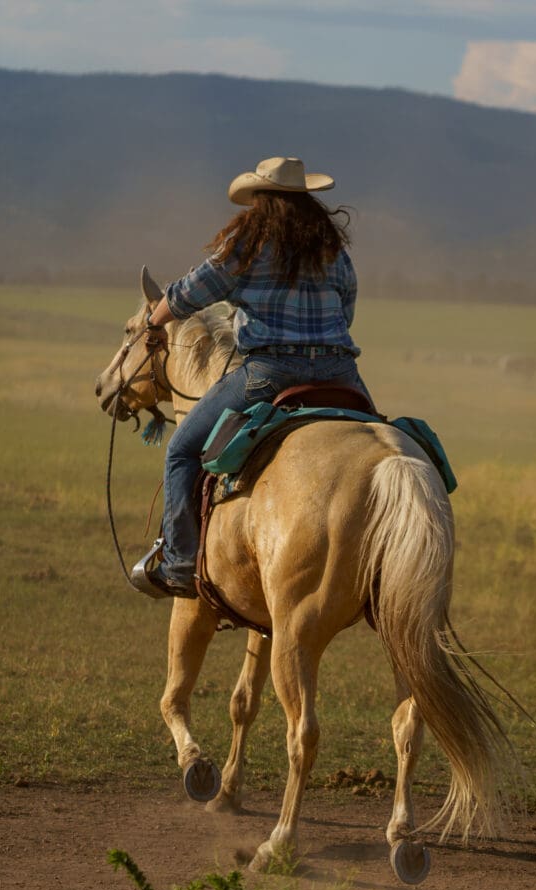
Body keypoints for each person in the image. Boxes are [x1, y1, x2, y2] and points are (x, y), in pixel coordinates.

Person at [131, 156, 371, 599]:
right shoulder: (331, 249)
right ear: (305, 202)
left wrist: (153, 321)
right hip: (341, 371)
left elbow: (190, 292)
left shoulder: (249, 244)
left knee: (182, 452)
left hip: (270, 372)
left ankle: (182, 564)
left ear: (261, 201)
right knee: (378, 442)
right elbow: (347, 306)